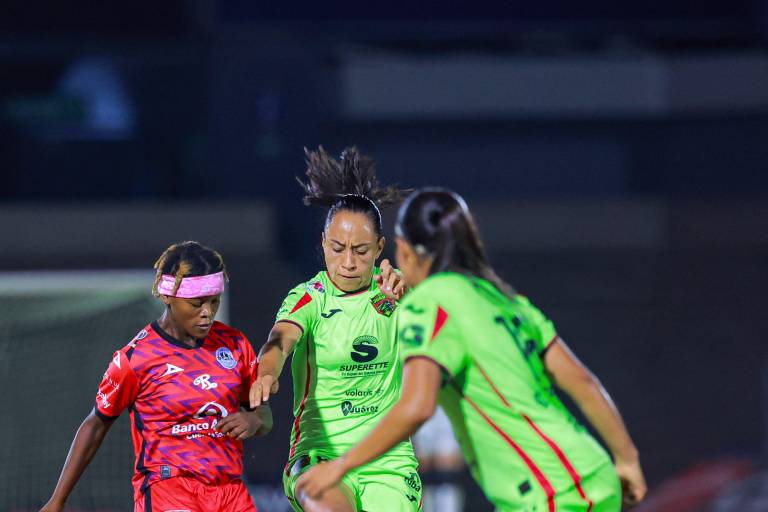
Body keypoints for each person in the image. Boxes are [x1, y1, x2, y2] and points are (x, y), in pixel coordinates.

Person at [296, 189, 648, 511]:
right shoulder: (504, 298)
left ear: (402, 249)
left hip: (550, 494)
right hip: (592, 472)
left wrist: (341, 466)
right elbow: (583, 382)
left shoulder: (430, 303)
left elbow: (418, 407)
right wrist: (627, 459)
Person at [249, 147, 421, 512]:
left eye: (361, 250)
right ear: (323, 243)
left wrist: (412, 303)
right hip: (320, 456)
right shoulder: (310, 298)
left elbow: (447, 334)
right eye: (338, 248)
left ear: (380, 247)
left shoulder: (398, 289)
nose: (348, 262)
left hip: (388, 462)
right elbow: (279, 340)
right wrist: (266, 372)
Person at [41, 241, 272, 512]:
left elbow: (264, 414)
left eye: (214, 301)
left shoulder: (234, 344)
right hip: (169, 488)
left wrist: (255, 419)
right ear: (167, 296)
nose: (208, 312)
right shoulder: (135, 358)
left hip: (230, 493)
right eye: (196, 303)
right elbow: (96, 425)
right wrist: (57, 500)